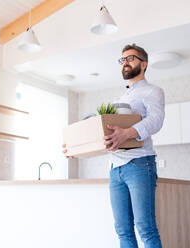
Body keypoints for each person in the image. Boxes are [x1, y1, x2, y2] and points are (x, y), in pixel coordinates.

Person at [63, 44, 165, 248]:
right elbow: (107, 138)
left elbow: (156, 121)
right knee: (123, 231)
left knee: (145, 228)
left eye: (131, 58)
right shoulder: (121, 99)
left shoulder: (153, 91)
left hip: (139, 165)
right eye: (123, 60)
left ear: (143, 64)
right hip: (115, 169)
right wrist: (77, 150)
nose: (125, 62)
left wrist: (127, 132)